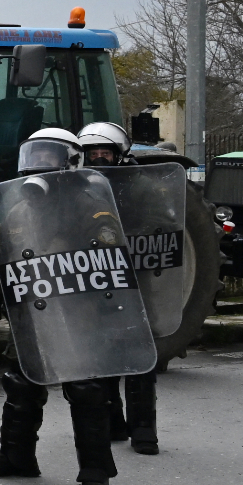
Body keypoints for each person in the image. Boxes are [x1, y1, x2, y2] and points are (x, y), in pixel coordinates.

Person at [0, 127, 123, 485]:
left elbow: (111, 252)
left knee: (87, 388)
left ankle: (94, 468)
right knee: (21, 383)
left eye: (48, 158)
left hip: (79, 313)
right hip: (33, 313)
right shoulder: (19, 210)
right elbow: (0, 259)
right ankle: (17, 456)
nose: (38, 166)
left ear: (70, 161)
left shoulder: (90, 205)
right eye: (33, 157)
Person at [79, 121, 159, 456]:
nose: (99, 157)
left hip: (136, 278)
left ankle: (144, 431)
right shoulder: (76, 186)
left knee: (140, 354)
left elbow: (163, 223)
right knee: (103, 352)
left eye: (105, 152)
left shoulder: (139, 186)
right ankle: (112, 422)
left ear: (119, 154)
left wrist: (134, 232)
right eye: (93, 153)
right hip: (96, 278)